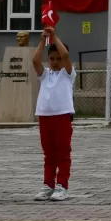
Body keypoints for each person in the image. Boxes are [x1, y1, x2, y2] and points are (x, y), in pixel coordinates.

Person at [32, 26, 75, 202]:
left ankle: (62, 186)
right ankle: (48, 185)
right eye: (52, 59)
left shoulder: (68, 74)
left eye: (58, 59)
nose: (56, 62)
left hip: (62, 117)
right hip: (45, 117)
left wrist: (55, 36)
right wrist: (44, 41)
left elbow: (65, 56)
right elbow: (35, 61)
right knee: (49, 154)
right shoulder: (45, 74)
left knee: (62, 153)